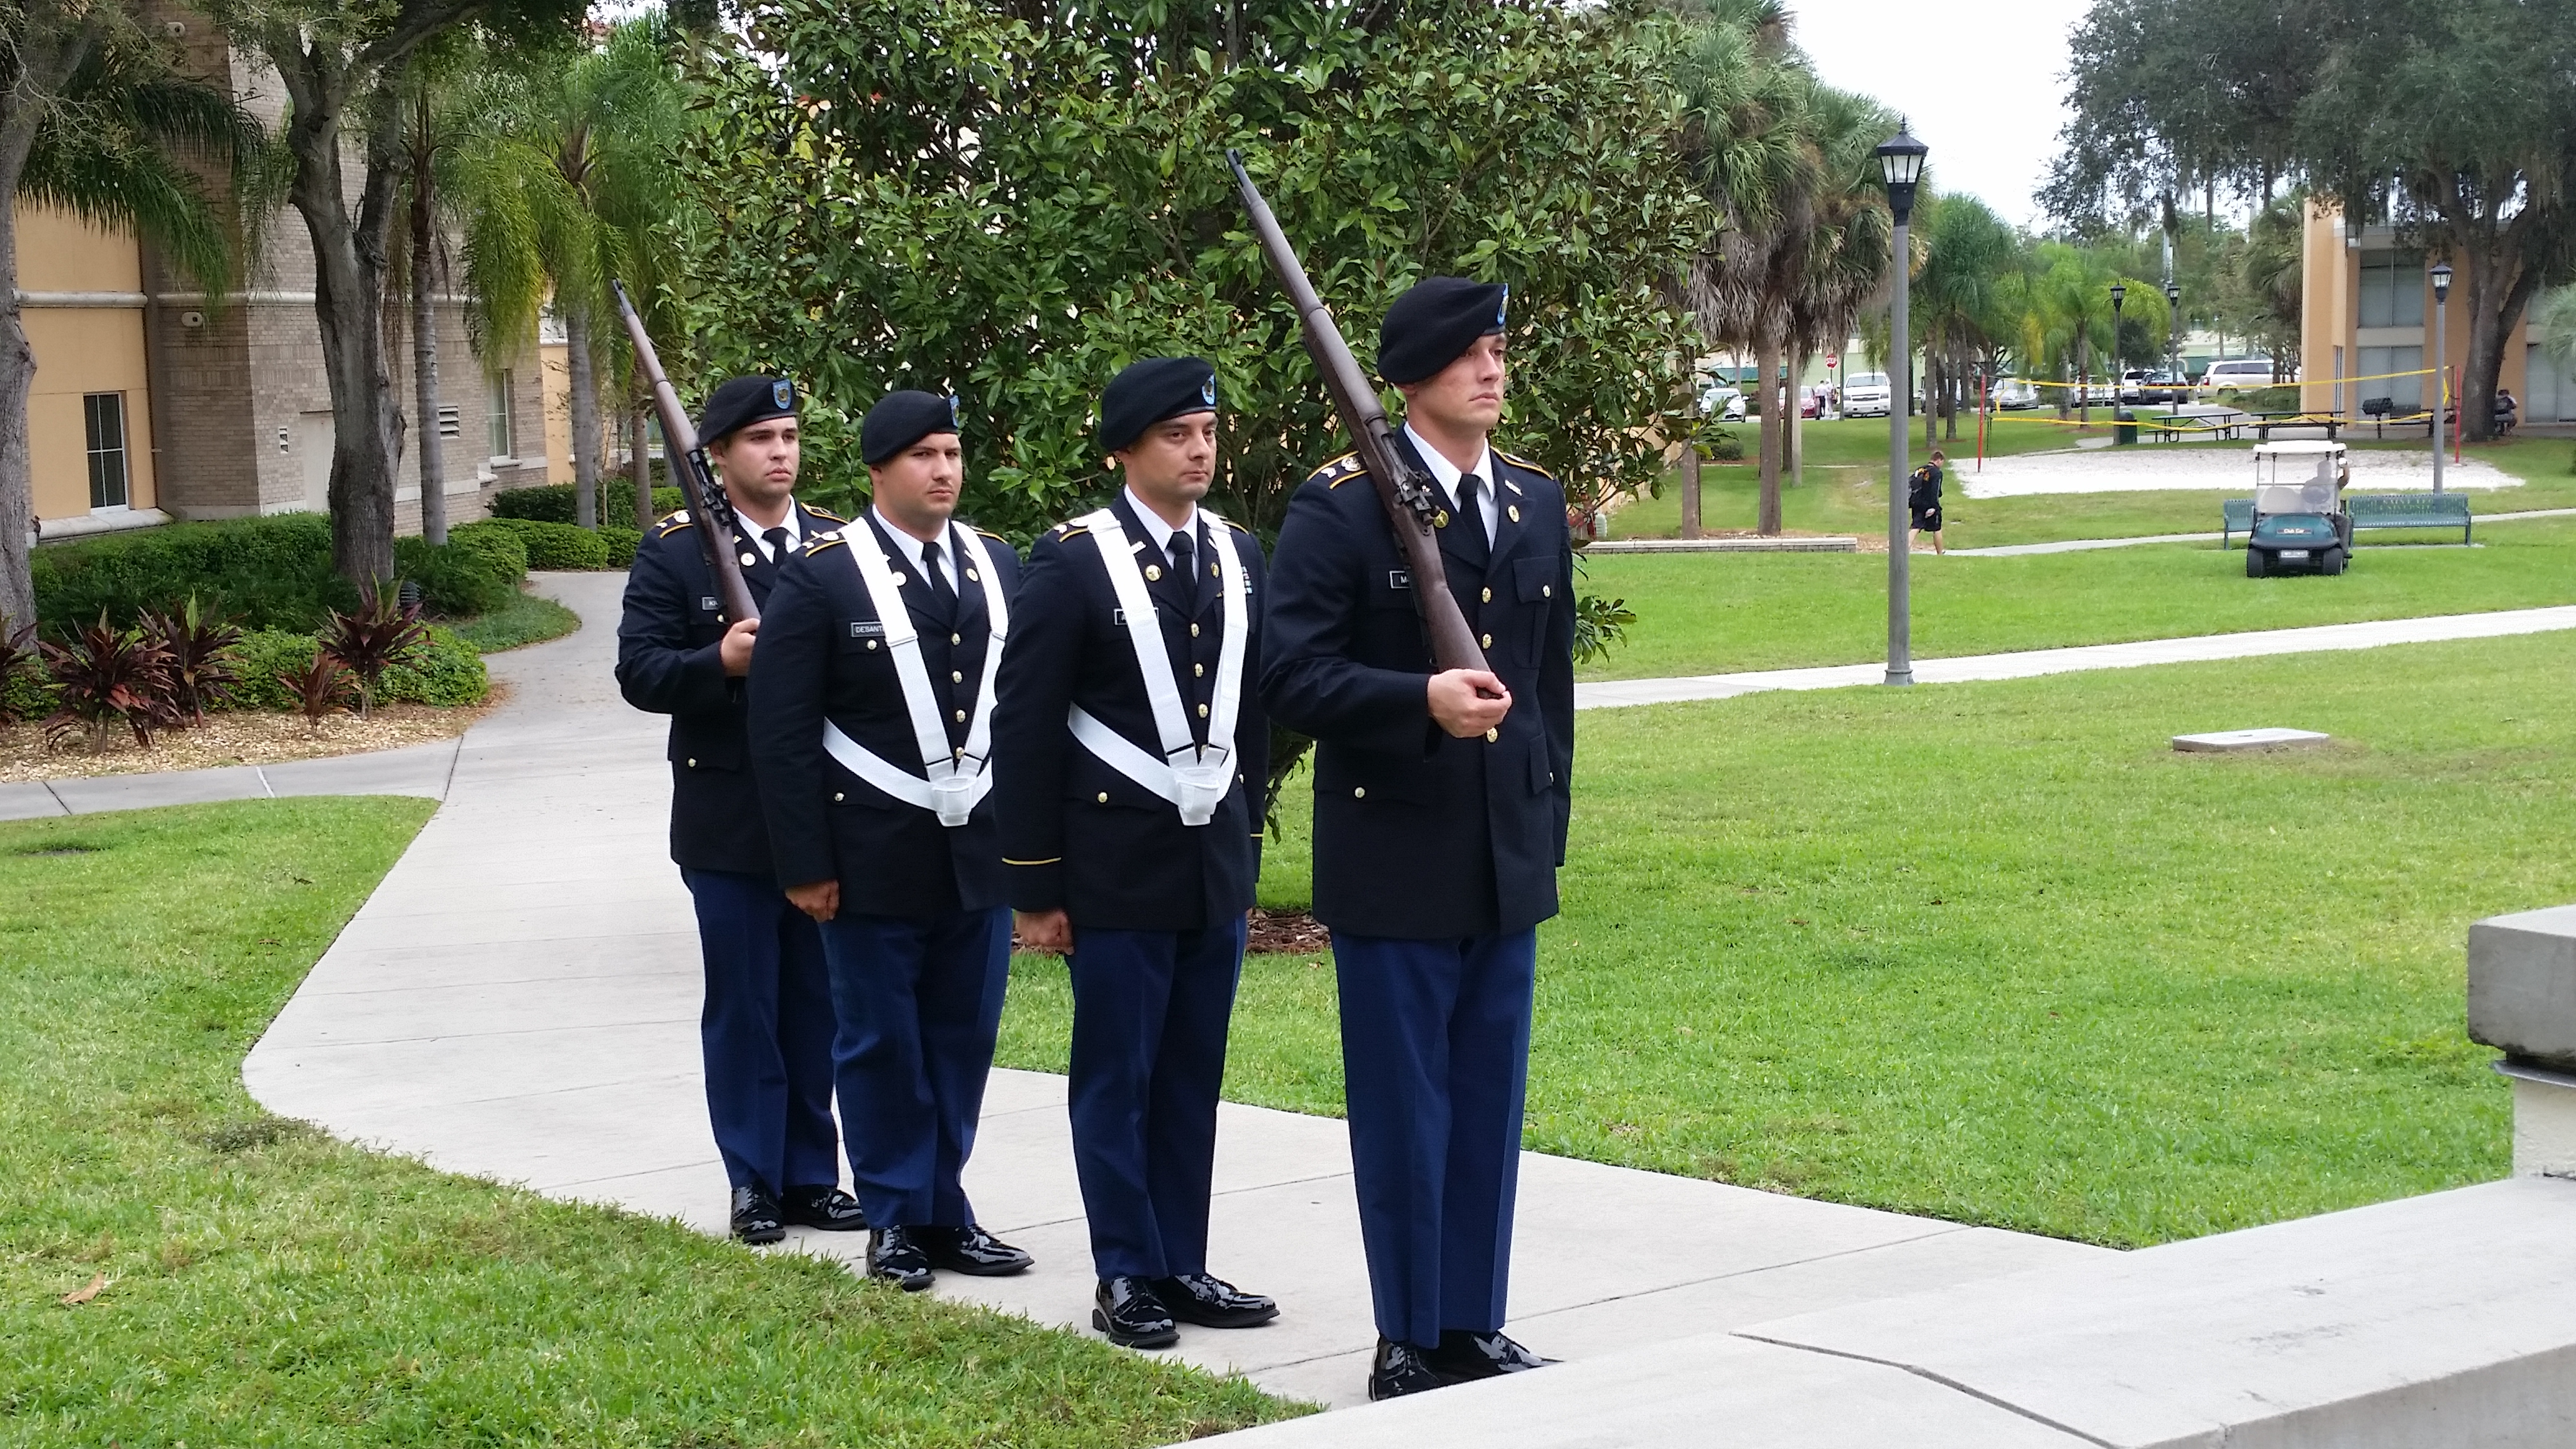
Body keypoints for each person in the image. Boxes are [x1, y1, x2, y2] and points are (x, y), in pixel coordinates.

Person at [1261, 276, 1576, 1401]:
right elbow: (1289, 673)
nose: (1492, 369)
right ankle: (1405, 1333)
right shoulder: (1338, 506)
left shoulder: (1531, 499)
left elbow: (1547, 686)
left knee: (1486, 1099)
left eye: (1498, 349)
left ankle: (1471, 1319)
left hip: (1503, 850)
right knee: (1404, 1106)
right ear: (1407, 379)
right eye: (1469, 354)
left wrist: (1548, 824)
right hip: (1393, 853)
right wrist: (1416, 699)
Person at [994, 357, 1278, 1351]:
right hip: (1111, 866)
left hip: (1207, 865)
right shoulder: (1073, 561)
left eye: (1206, 431)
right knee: (1117, 1078)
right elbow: (1023, 726)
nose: (1198, 449)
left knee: (1192, 1072)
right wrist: (1032, 886)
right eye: (1176, 435)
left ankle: (1180, 1261)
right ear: (1125, 449)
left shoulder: (1239, 553)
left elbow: (1260, 707)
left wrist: (1243, 829)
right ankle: (1125, 1270)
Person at [746, 389, 1033, 1291]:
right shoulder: (825, 573)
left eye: (951, 453)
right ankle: (894, 1216)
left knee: (961, 1035)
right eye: (923, 457)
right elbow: (782, 730)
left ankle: (946, 1208)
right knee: (879, 1041)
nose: (944, 470)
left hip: (977, 852)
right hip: (868, 853)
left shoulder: (996, 561)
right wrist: (805, 864)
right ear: (877, 471)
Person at [614, 375, 867, 1246]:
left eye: (790, 435)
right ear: (717, 456)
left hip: (825, 813)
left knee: (816, 1002)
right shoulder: (676, 551)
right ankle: (754, 1178)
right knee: (745, 1005)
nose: (781, 452)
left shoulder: (838, 546)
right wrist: (715, 661)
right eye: (760, 438)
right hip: (729, 820)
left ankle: (810, 1173)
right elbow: (640, 672)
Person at [1909, 450, 1947, 554]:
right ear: (1939, 460)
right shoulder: (1936, 473)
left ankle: (1904, 549)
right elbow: (1935, 491)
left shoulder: (1920, 470)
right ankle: (1940, 552)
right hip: (1929, 504)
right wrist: (1934, 507)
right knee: (1937, 528)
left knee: (1916, 526)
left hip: (1916, 503)